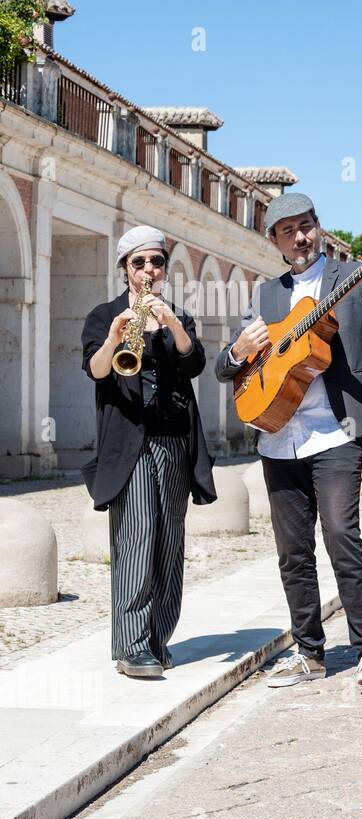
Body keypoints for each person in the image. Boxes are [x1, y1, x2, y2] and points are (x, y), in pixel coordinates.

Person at [214, 193, 362, 689]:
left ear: (318, 228)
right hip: (278, 436)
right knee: (292, 551)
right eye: (289, 230)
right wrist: (238, 352)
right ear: (275, 240)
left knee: (342, 537)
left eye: (307, 225)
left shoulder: (351, 277)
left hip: (337, 432)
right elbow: (226, 368)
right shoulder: (265, 296)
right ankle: (309, 651)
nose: (300, 236)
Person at [81, 226, 216, 678]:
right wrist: (117, 336)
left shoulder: (177, 316)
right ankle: (131, 645)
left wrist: (173, 323)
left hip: (175, 438)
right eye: (138, 263)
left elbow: (194, 363)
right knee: (136, 537)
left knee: (169, 542)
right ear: (124, 269)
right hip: (130, 441)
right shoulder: (104, 315)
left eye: (155, 262)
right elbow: (98, 371)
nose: (148, 271)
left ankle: (159, 638)